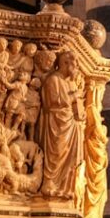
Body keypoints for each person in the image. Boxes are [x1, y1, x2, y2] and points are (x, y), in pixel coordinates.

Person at [39, 53, 85, 198]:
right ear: (66, 63)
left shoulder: (70, 83)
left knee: (71, 157)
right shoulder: (53, 80)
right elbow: (54, 101)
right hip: (56, 124)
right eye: (75, 64)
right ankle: (50, 183)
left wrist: (80, 112)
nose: (76, 68)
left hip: (72, 124)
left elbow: (76, 103)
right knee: (56, 153)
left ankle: (65, 188)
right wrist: (74, 96)